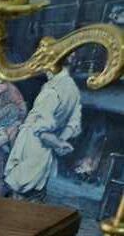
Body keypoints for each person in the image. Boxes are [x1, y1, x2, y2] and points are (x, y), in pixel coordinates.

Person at [5, 64, 82, 201]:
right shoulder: (73, 90)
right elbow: (74, 123)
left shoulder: (53, 90)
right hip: (45, 150)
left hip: (33, 145)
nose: (44, 70)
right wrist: (61, 141)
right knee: (33, 191)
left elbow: (41, 129)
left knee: (21, 189)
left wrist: (57, 142)